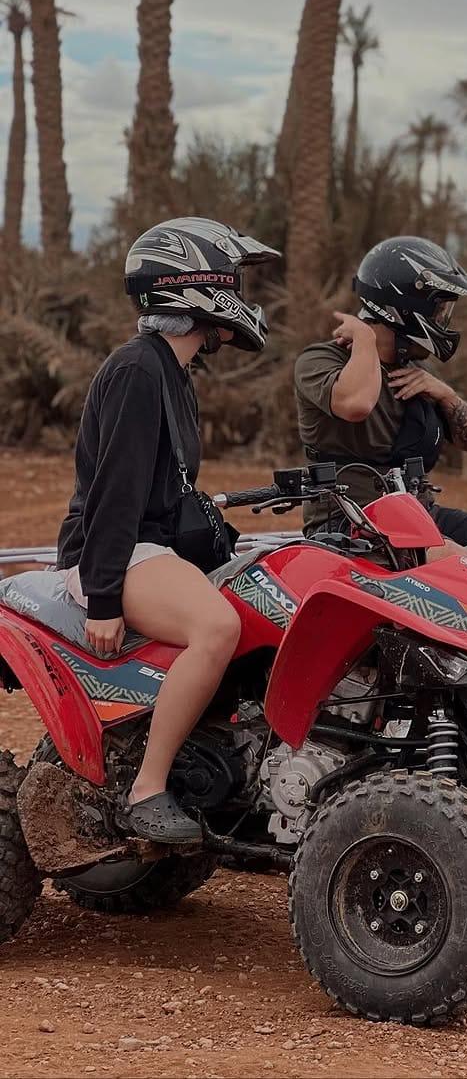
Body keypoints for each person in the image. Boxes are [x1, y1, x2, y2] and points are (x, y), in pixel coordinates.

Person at [57, 217, 280, 843]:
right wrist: (104, 595)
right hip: (115, 551)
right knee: (217, 627)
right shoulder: (138, 369)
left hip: (151, 547)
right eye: (232, 281)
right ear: (194, 288)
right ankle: (147, 789)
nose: (241, 297)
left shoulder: (171, 371)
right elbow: (116, 490)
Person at [294, 236, 467, 548]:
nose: (442, 321)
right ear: (405, 308)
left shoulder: (418, 372)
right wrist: (365, 340)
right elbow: (356, 404)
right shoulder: (320, 360)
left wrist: (446, 395)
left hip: (419, 515)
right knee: (451, 559)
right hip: (349, 523)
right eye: (439, 311)